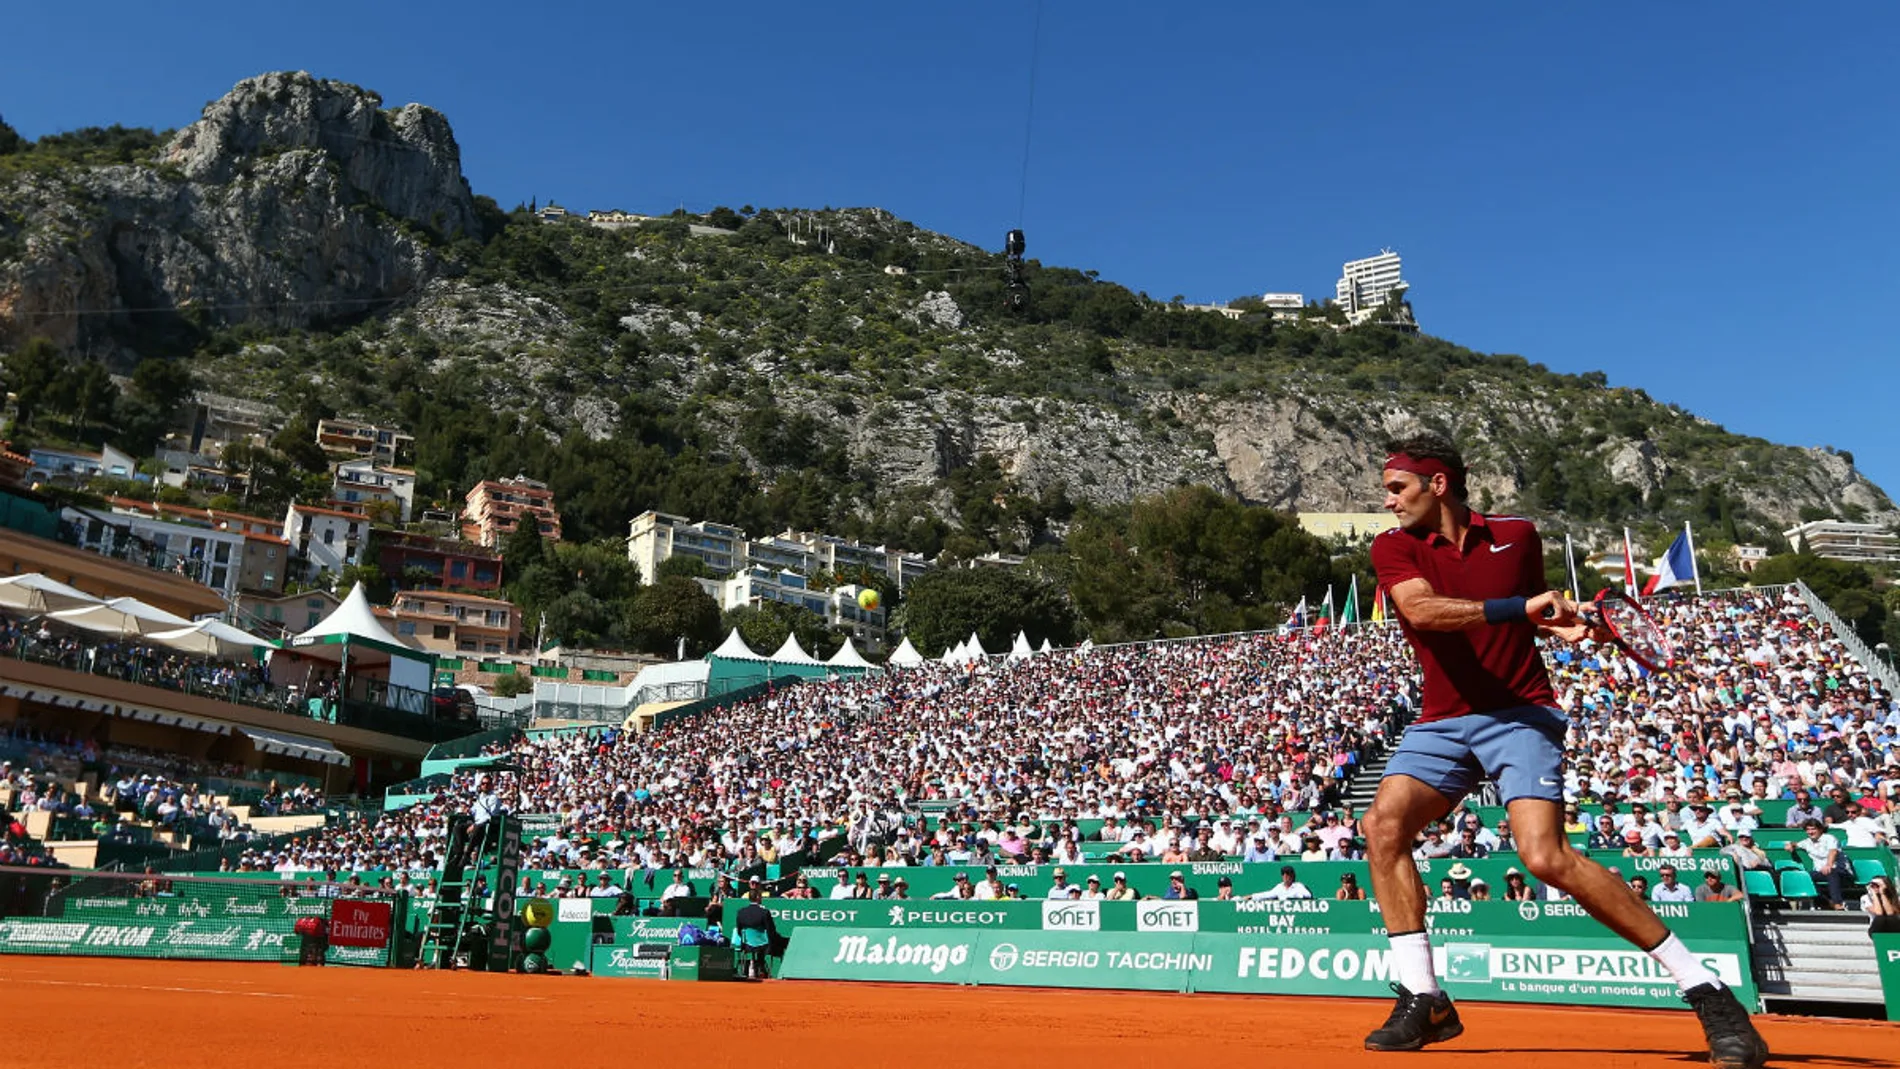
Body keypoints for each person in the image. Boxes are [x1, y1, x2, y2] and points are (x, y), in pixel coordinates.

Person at [1360, 435, 1765, 1065]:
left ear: (1437, 484)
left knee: (1545, 857)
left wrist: (1562, 620)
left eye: (1396, 488)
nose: (1387, 501)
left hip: (1521, 713)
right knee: (1383, 827)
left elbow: (1528, 613)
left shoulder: (1518, 536)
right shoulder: (1392, 546)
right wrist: (1523, 608)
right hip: (1442, 719)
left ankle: (1709, 993)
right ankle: (1424, 997)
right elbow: (1425, 610)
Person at [1786, 819, 1846, 909]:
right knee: (1804, 877)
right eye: (1808, 829)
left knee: (1831, 872)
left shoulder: (1829, 838)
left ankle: (1837, 903)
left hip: (1839, 871)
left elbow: (1833, 851)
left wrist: (1828, 865)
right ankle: (1827, 902)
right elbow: (1796, 844)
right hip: (1820, 872)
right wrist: (1791, 845)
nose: (1810, 832)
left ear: (1820, 829)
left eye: (1813, 829)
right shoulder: (1807, 842)